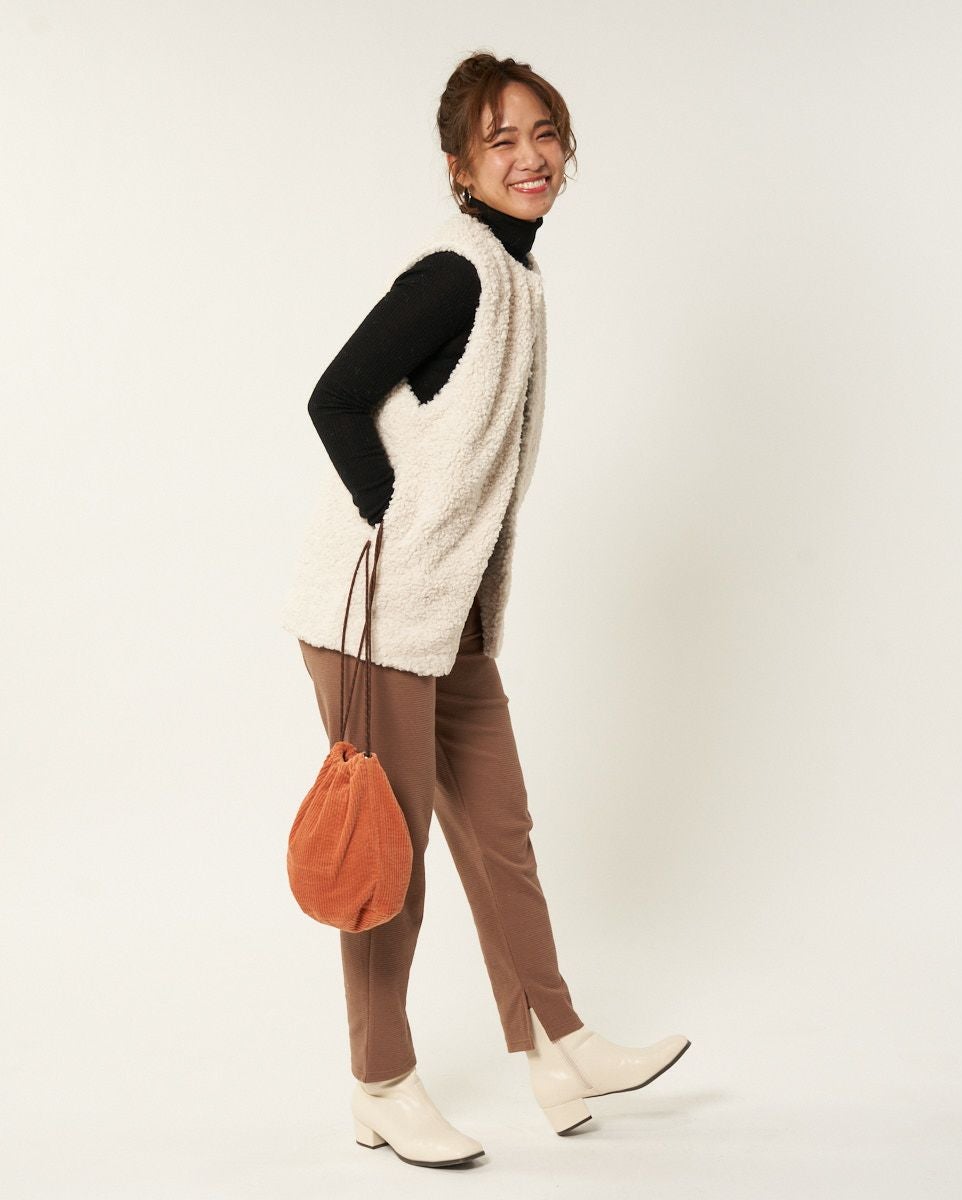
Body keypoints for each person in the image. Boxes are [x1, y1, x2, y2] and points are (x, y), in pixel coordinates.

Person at [280, 51, 691, 1169]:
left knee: (500, 831)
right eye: (501, 139)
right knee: (390, 860)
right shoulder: (454, 276)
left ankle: (559, 1045)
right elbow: (334, 398)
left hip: (446, 619)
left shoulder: (517, 277)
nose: (530, 156)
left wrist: (432, 557)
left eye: (544, 134)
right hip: (377, 621)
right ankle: (380, 1082)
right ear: (460, 168)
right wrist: (393, 518)